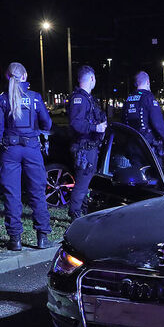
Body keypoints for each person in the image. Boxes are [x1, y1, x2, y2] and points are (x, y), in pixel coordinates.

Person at [0, 63, 53, 251]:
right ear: (25, 76)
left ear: (7, 77)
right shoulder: (35, 98)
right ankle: (42, 238)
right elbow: (47, 123)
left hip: (9, 151)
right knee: (37, 192)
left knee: (12, 195)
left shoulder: (2, 100)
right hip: (32, 149)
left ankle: (15, 240)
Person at [67, 65, 107, 221]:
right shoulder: (80, 99)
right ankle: (75, 213)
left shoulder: (88, 98)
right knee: (82, 182)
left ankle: (82, 212)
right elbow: (76, 123)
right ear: (91, 78)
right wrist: (95, 127)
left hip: (90, 147)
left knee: (85, 182)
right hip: (84, 148)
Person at [123, 71, 164, 156]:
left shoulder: (128, 99)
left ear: (135, 83)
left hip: (131, 145)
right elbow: (158, 123)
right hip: (147, 146)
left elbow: (123, 121)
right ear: (148, 82)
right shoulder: (148, 98)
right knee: (154, 168)